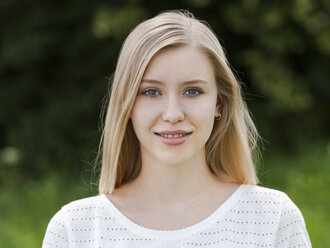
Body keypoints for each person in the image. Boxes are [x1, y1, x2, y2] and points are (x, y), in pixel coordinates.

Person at [42, 10, 311, 248]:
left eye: (192, 91)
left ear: (219, 103)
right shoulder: (75, 231)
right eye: (150, 91)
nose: (172, 114)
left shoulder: (274, 219)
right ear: (127, 105)